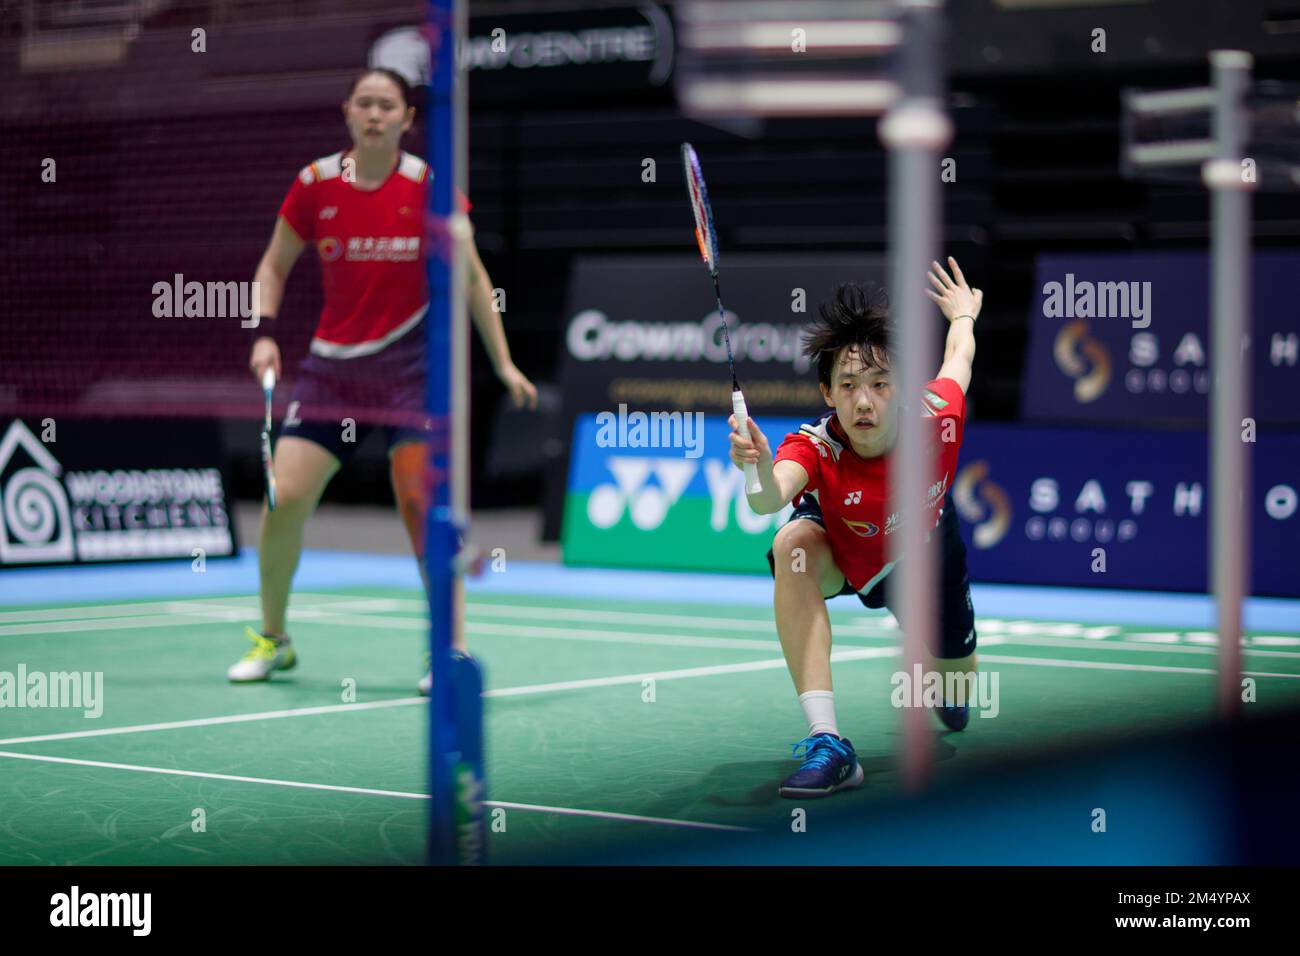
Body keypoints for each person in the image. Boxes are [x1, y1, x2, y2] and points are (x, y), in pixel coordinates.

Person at [229, 67, 538, 688]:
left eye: (386, 105)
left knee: (421, 503)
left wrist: (502, 361)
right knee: (282, 498)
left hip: (408, 377)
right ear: (347, 112)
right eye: (364, 103)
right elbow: (271, 265)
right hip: (331, 374)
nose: (374, 114)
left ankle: (446, 648)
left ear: (406, 118)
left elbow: (475, 278)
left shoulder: (429, 186)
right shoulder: (315, 185)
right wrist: (262, 332)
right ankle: (273, 638)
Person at [728, 257, 981, 798]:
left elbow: (959, 357)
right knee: (790, 542)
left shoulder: (937, 417)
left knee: (956, 699)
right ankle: (829, 742)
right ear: (827, 393)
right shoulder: (815, 446)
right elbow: (767, 499)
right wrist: (755, 466)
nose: (863, 400)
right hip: (843, 549)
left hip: (928, 553)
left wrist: (963, 316)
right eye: (847, 384)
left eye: (880, 383)